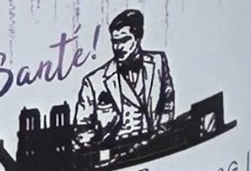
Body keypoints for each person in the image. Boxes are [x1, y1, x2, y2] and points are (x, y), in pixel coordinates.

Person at [74, 9, 175, 151]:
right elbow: (82, 129)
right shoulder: (94, 82)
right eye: (114, 42)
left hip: (154, 146)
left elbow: (167, 102)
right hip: (115, 157)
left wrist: (162, 134)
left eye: (124, 40)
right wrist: (99, 153)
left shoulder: (158, 62)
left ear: (138, 37)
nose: (118, 47)